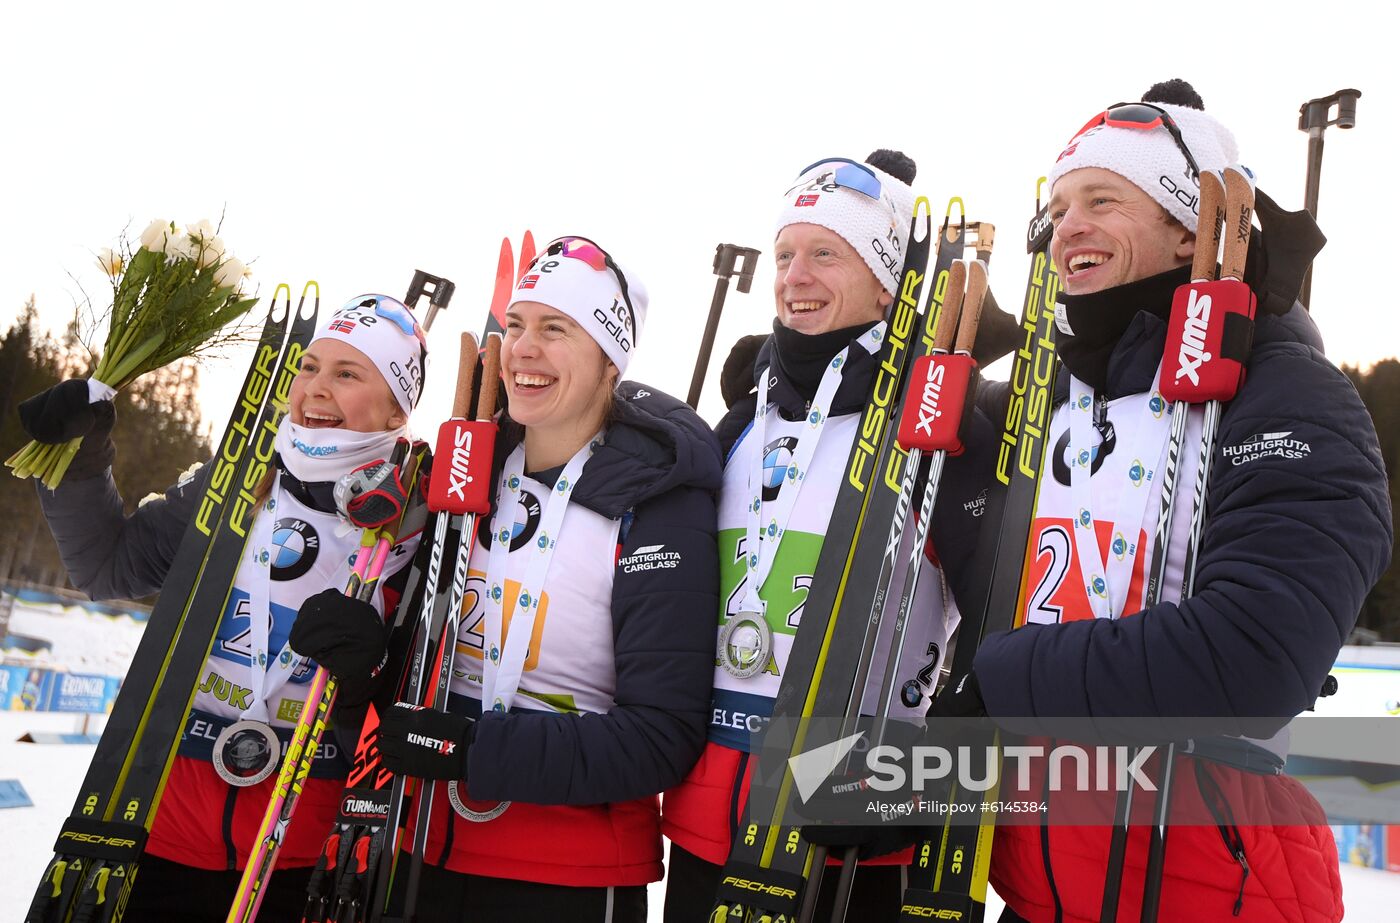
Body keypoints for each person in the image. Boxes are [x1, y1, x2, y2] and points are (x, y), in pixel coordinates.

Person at [930, 80, 1393, 923]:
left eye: (1102, 200)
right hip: (1040, 883)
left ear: (1192, 230)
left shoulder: (1290, 396)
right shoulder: (1064, 405)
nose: (1065, 227)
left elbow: (1248, 661)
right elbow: (995, 589)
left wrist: (993, 681)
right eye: (1060, 206)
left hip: (1210, 886)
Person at [337, 236, 722, 922]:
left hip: (568, 879)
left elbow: (663, 734)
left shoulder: (662, 503)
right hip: (420, 850)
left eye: (555, 328)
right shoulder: (470, 470)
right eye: (515, 325)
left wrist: (478, 748)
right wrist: (366, 655)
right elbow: (419, 665)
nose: (522, 348)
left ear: (610, 358)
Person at [20, 293, 431, 921]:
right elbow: (106, 567)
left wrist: (365, 680)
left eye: (348, 374)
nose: (317, 389)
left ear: (397, 407)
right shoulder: (232, 487)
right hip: (155, 830)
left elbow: (417, 703)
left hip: (299, 859)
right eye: (310, 367)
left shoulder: (418, 529)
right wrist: (81, 455)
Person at [660, 151, 989, 921]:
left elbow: (994, 644)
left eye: (824, 254)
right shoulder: (741, 424)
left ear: (885, 282)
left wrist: (914, 779)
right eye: (784, 255)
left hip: (850, 833)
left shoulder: (939, 433)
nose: (794, 276)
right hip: (713, 823)